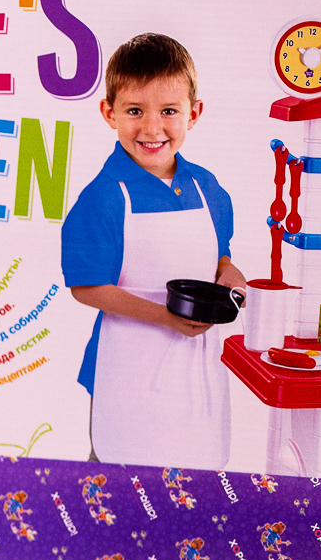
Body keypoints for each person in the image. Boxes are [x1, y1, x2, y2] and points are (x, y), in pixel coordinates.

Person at [65, 32, 244, 469]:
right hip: (125, 372)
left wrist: (229, 270)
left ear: (193, 113)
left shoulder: (207, 188)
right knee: (119, 483)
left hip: (196, 371)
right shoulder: (103, 197)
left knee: (196, 481)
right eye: (134, 111)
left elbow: (217, 253)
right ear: (109, 112)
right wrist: (166, 317)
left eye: (168, 111)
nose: (151, 128)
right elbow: (86, 287)